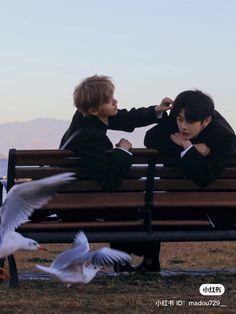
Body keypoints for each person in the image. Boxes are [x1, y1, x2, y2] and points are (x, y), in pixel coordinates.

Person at [59, 74, 173, 272]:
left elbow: (126, 116)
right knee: (131, 202)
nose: (115, 101)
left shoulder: (86, 120)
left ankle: (123, 261)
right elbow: (109, 180)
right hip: (82, 206)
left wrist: (156, 110)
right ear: (94, 109)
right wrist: (123, 151)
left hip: (77, 199)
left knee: (124, 200)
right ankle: (146, 259)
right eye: (109, 100)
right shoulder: (92, 137)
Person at [144, 89, 236, 227]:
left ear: (206, 121)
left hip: (213, 206)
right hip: (175, 201)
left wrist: (187, 146)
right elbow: (150, 138)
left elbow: (204, 177)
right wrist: (188, 148)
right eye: (180, 120)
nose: (183, 126)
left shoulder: (224, 137)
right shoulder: (180, 114)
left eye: (190, 122)